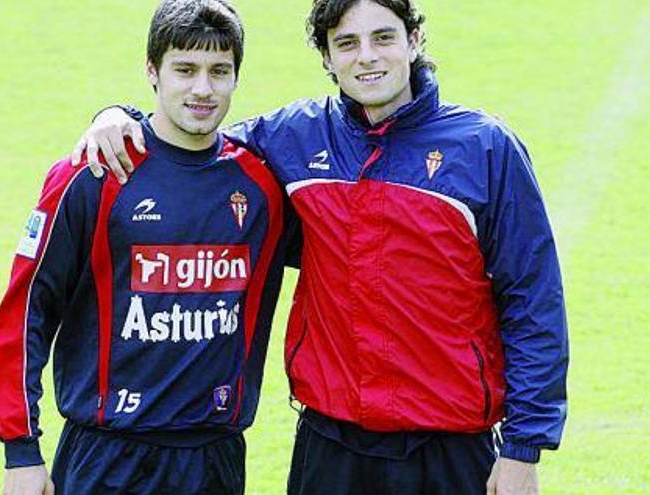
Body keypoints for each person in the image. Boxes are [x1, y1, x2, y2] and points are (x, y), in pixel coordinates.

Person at [70, 0, 569, 494]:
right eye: (346, 43)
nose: (367, 57)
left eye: (384, 37)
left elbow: (532, 300)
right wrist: (118, 115)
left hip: (453, 450)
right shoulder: (295, 135)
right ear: (327, 58)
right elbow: (194, 137)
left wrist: (523, 447)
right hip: (330, 446)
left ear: (414, 41)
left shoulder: (486, 148)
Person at [0, 1, 300, 493]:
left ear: (237, 77)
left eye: (220, 71)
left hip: (215, 460)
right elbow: (26, 312)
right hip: (105, 459)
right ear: (152, 71)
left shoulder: (264, 186)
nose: (203, 88)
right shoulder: (92, 174)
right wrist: (21, 450)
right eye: (185, 69)